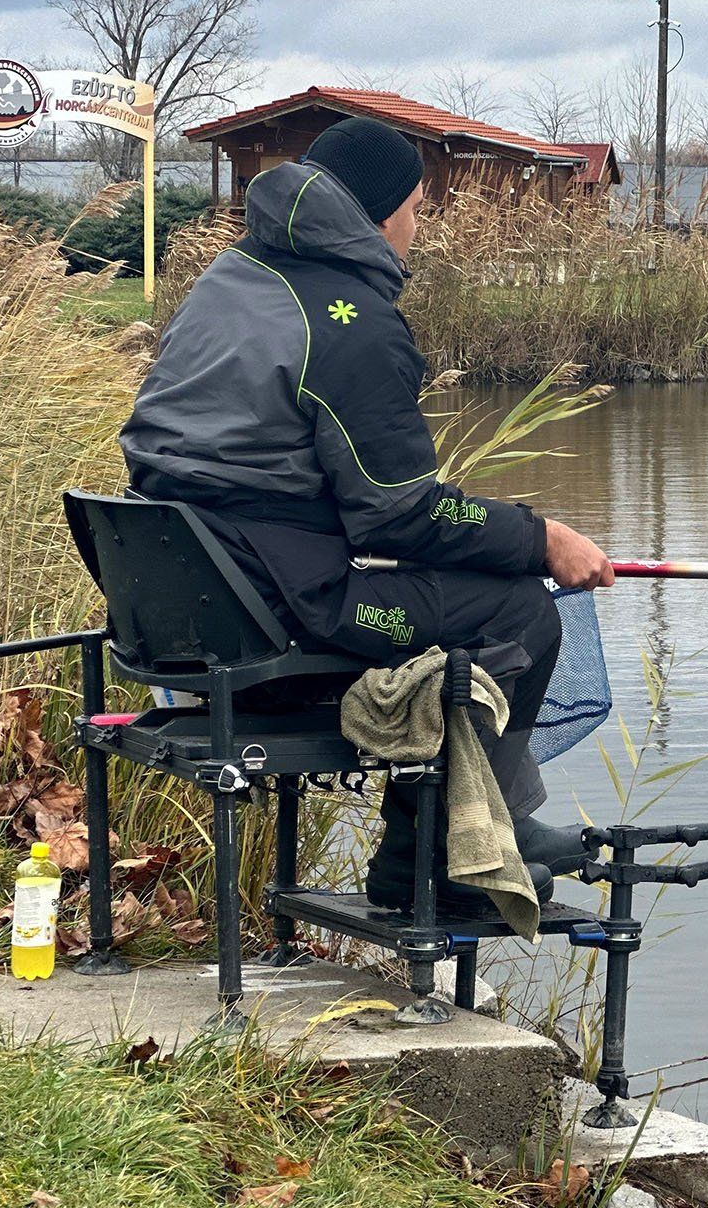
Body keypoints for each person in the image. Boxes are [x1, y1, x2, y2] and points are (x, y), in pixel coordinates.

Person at [118, 116, 614, 909]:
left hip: (191, 606)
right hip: (283, 619)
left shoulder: (232, 276)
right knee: (520, 611)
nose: (419, 228)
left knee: (463, 581)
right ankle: (442, 860)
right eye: (419, 207)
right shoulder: (350, 321)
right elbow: (398, 518)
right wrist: (541, 537)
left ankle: (498, 826)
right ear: (381, 214)